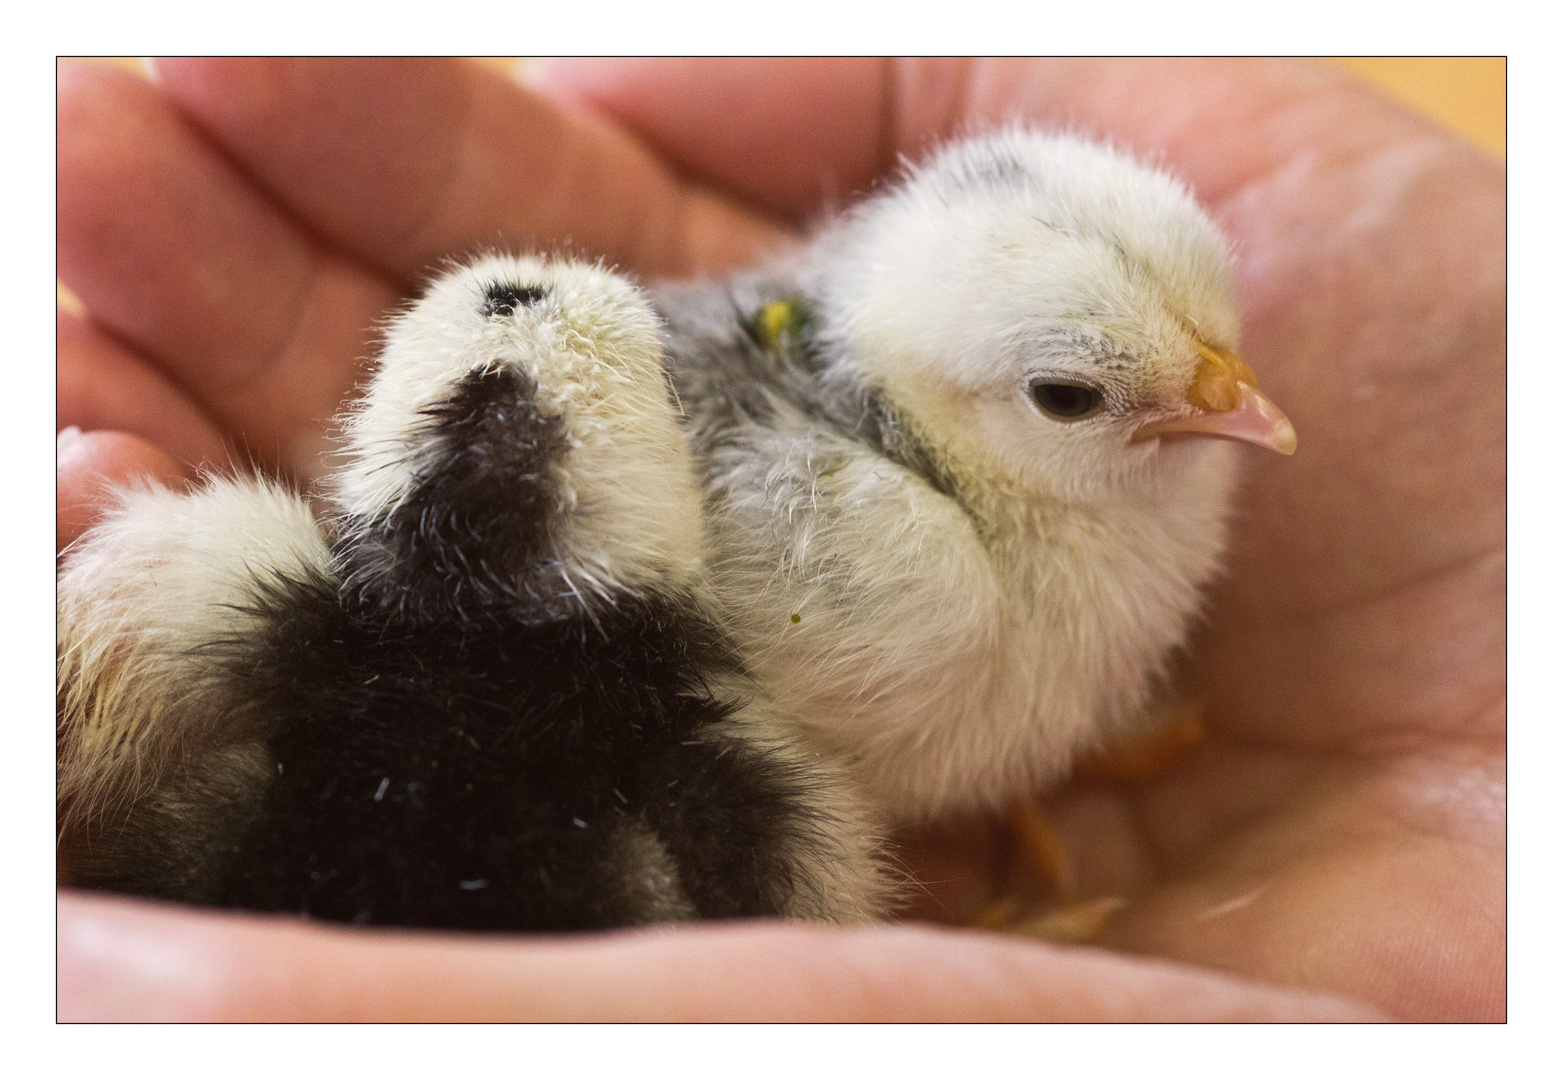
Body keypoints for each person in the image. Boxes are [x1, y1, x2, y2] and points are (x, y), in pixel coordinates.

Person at [55, 57, 1504, 1021]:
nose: (1236, 403)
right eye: (1078, 393)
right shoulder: (903, 575)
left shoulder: (983, 357)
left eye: (1219, 335)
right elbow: (686, 738)